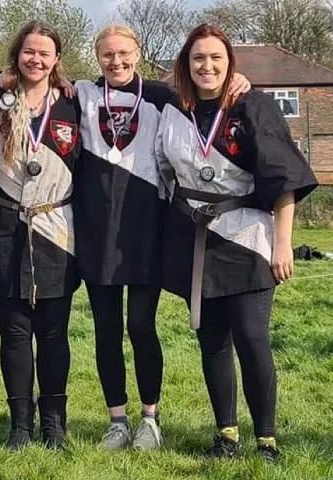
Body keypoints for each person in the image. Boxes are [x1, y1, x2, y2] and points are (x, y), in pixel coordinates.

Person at [71, 25, 251, 451]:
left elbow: (213, 99)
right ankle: (117, 420)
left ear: (138, 52)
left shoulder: (163, 96)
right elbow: (31, 83)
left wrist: (239, 81)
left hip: (148, 232)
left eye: (124, 54)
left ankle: (150, 419)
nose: (117, 62)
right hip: (97, 234)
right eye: (107, 55)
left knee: (140, 326)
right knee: (106, 329)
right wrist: (6, 79)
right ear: (97, 58)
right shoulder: (78, 94)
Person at [155, 23, 317, 462]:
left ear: (230, 64)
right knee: (212, 343)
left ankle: (266, 439)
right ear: (186, 66)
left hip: (248, 238)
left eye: (216, 59)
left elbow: (282, 179)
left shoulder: (254, 105)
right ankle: (226, 435)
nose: (207, 66)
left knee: (251, 338)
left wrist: (283, 245)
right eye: (198, 59)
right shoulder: (173, 109)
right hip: (197, 244)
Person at [0, 20, 81, 450]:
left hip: (57, 230)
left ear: (56, 60)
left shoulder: (76, 103)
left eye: (44, 53)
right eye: (28, 52)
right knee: (14, 334)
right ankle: (20, 423)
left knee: (54, 333)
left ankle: (55, 421)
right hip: (3, 229)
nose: (35, 60)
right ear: (16, 54)